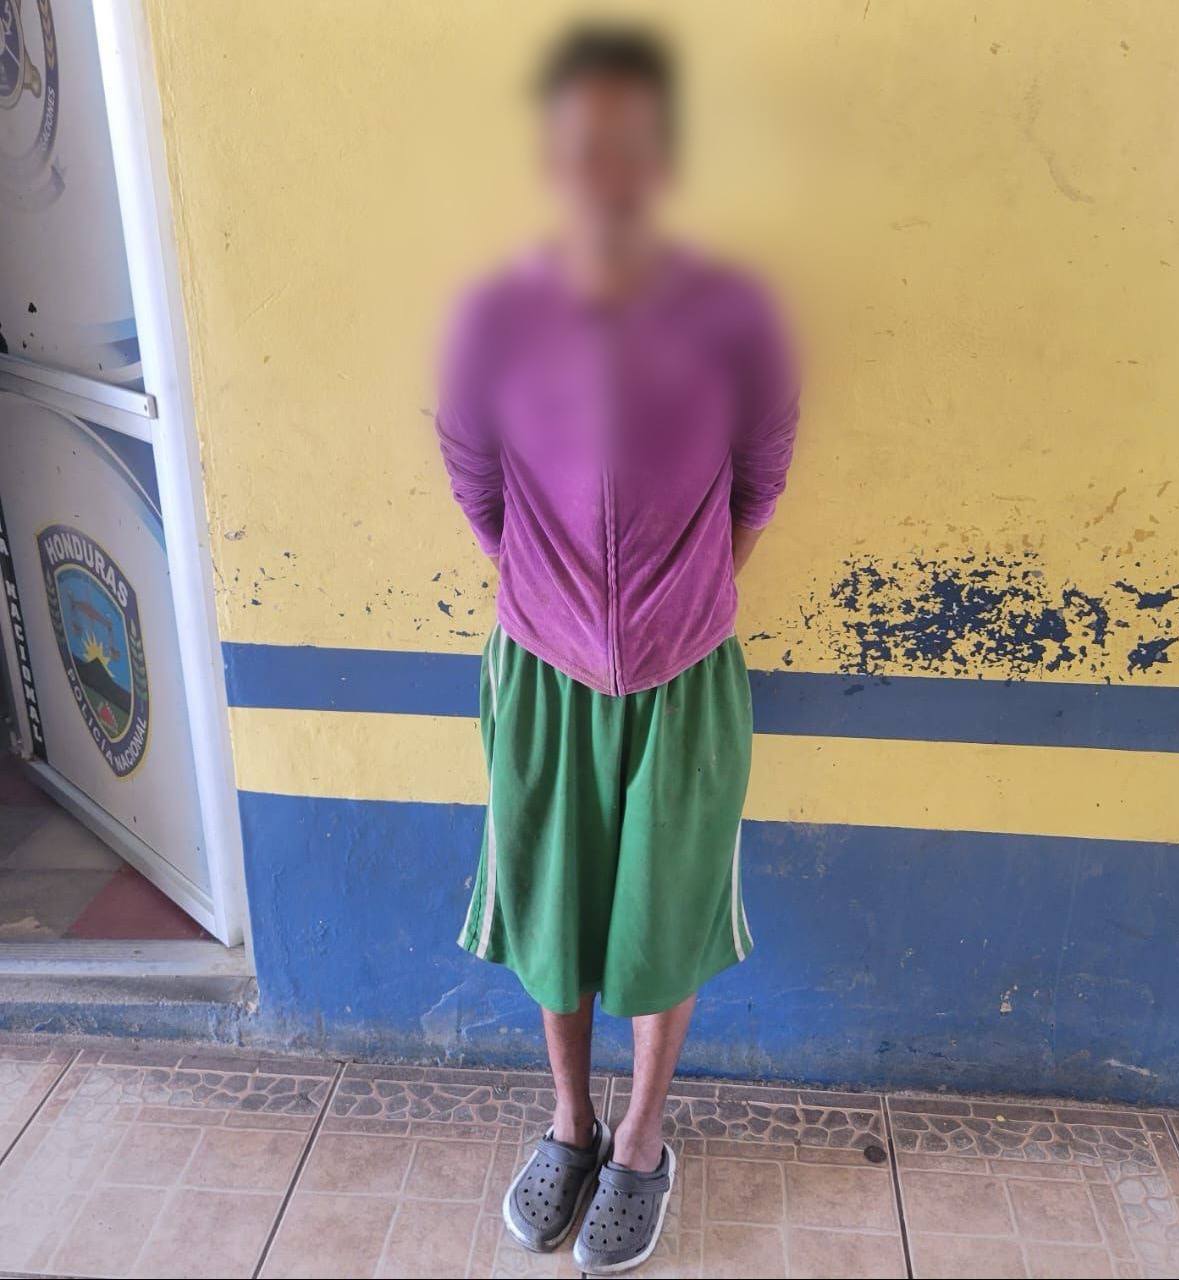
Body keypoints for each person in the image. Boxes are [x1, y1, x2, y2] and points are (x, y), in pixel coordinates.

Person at [434, 22, 799, 1274]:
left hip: (685, 675)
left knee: (661, 915)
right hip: (538, 675)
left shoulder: (735, 319)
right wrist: (556, 603)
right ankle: (569, 1123)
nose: (607, 167)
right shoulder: (494, 320)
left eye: (632, 140)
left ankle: (641, 1138)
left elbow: (757, 482)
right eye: (581, 140)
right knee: (550, 908)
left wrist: (676, 601)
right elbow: (477, 484)